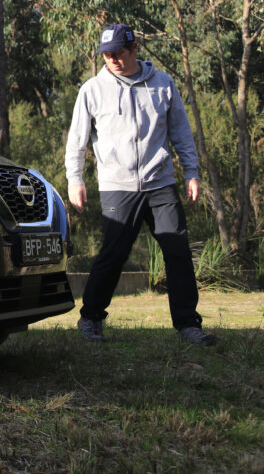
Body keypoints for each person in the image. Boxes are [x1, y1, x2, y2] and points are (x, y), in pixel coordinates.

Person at [65, 24, 217, 345]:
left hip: (160, 183)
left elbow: (181, 132)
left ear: (135, 49)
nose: (112, 60)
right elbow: (77, 141)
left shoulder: (163, 84)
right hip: (116, 186)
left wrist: (191, 172)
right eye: (106, 55)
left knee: (177, 252)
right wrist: (74, 179)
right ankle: (91, 318)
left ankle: (188, 325)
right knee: (113, 254)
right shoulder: (92, 90)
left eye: (118, 53)